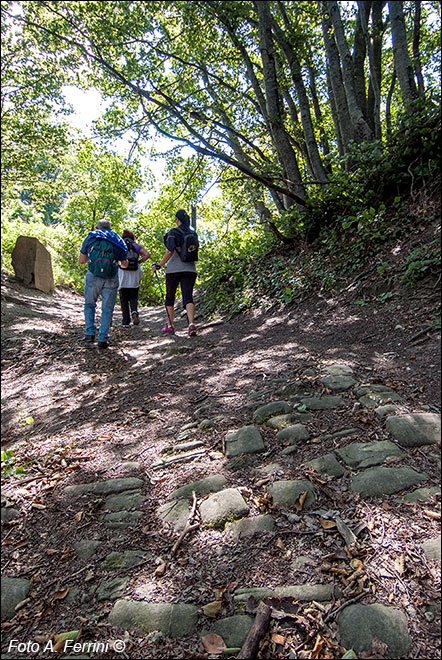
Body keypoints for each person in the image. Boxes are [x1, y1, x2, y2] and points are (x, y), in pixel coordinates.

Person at [79, 219, 128, 348]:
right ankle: (103, 338)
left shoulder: (91, 237)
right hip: (111, 277)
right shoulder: (117, 240)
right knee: (107, 308)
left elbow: (81, 260)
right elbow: (124, 264)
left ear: (97, 227)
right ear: (110, 229)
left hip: (93, 276)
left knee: (89, 305)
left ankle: (89, 334)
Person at [152, 209, 198, 336]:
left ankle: (171, 326)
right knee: (188, 296)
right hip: (190, 269)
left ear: (177, 220)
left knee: (170, 297)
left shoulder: (173, 232)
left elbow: (170, 251)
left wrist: (159, 265)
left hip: (173, 269)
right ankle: (191, 324)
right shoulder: (193, 233)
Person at [118, 229, 151, 327]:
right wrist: (139, 262)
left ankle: (125, 322)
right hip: (135, 273)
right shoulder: (136, 246)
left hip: (122, 273)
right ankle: (134, 312)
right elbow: (147, 254)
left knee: (123, 299)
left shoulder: (120, 245)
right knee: (133, 297)